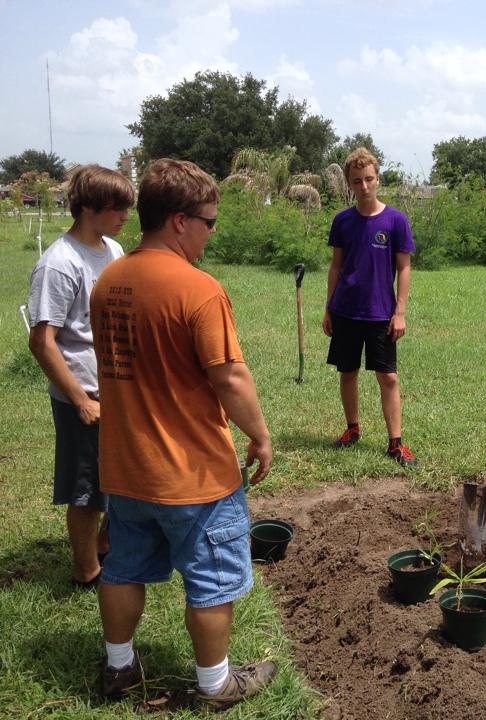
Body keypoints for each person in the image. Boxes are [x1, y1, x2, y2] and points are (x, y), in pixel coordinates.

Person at [90, 159, 276, 708]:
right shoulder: (198, 290)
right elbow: (230, 377)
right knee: (213, 580)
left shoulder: (108, 282)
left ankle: (119, 667)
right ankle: (216, 685)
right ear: (179, 221)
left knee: (122, 569)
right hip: (193, 476)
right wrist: (261, 436)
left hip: (125, 468)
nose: (210, 233)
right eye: (209, 222)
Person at [27, 164, 134, 589]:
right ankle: (86, 572)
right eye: (117, 207)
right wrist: (80, 399)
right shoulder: (59, 264)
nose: (125, 215)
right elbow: (42, 342)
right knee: (87, 489)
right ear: (88, 207)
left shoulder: (113, 250)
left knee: (120, 478)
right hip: (84, 394)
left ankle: (105, 545)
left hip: (116, 388)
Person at [323, 147, 417, 466]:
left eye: (368, 179)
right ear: (349, 183)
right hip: (345, 310)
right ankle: (352, 429)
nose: (363, 187)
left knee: (387, 376)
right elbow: (336, 267)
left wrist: (400, 311)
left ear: (378, 179)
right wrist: (328, 308)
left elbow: (404, 267)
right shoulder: (342, 221)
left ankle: (395, 443)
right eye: (356, 181)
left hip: (380, 313)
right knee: (347, 372)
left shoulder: (396, 220)